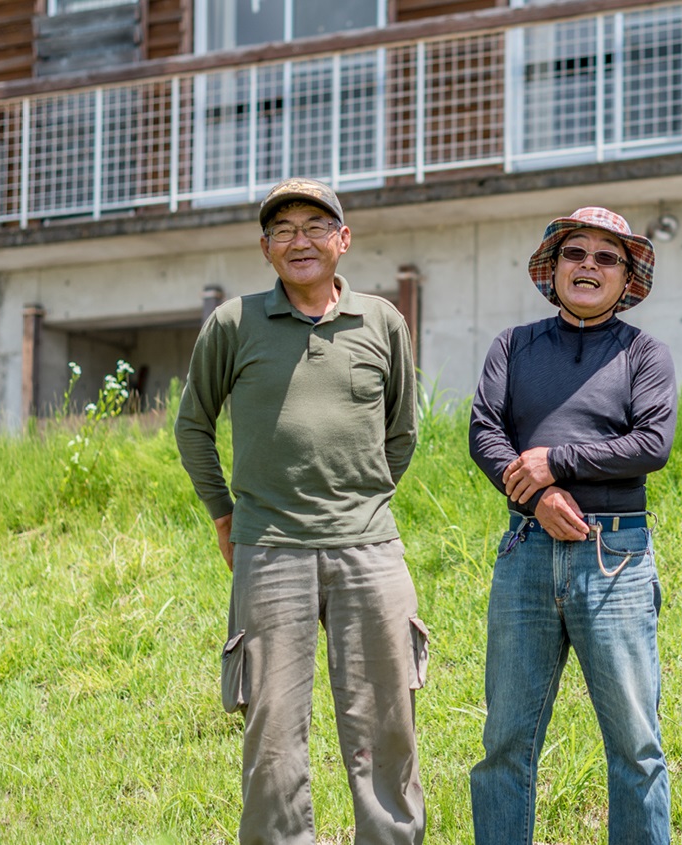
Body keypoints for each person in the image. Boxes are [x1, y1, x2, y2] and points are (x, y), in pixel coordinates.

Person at [175, 177, 426, 845]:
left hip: (369, 549)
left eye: (316, 225)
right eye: (283, 229)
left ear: (343, 239)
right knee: (274, 732)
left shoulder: (382, 322)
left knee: (386, 726)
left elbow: (402, 432)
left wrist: (362, 499)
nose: (300, 240)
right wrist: (224, 515)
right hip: (270, 548)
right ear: (265, 248)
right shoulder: (234, 322)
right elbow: (192, 425)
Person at [468, 206, 677, 845]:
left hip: (615, 552)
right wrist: (539, 499)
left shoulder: (645, 353)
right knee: (505, 740)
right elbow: (484, 434)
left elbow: (652, 443)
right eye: (574, 254)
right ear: (552, 268)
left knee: (636, 743)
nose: (588, 266)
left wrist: (555, 460)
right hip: (527, 549)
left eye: (606, 258)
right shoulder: (512, 346)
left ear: (626, 278)